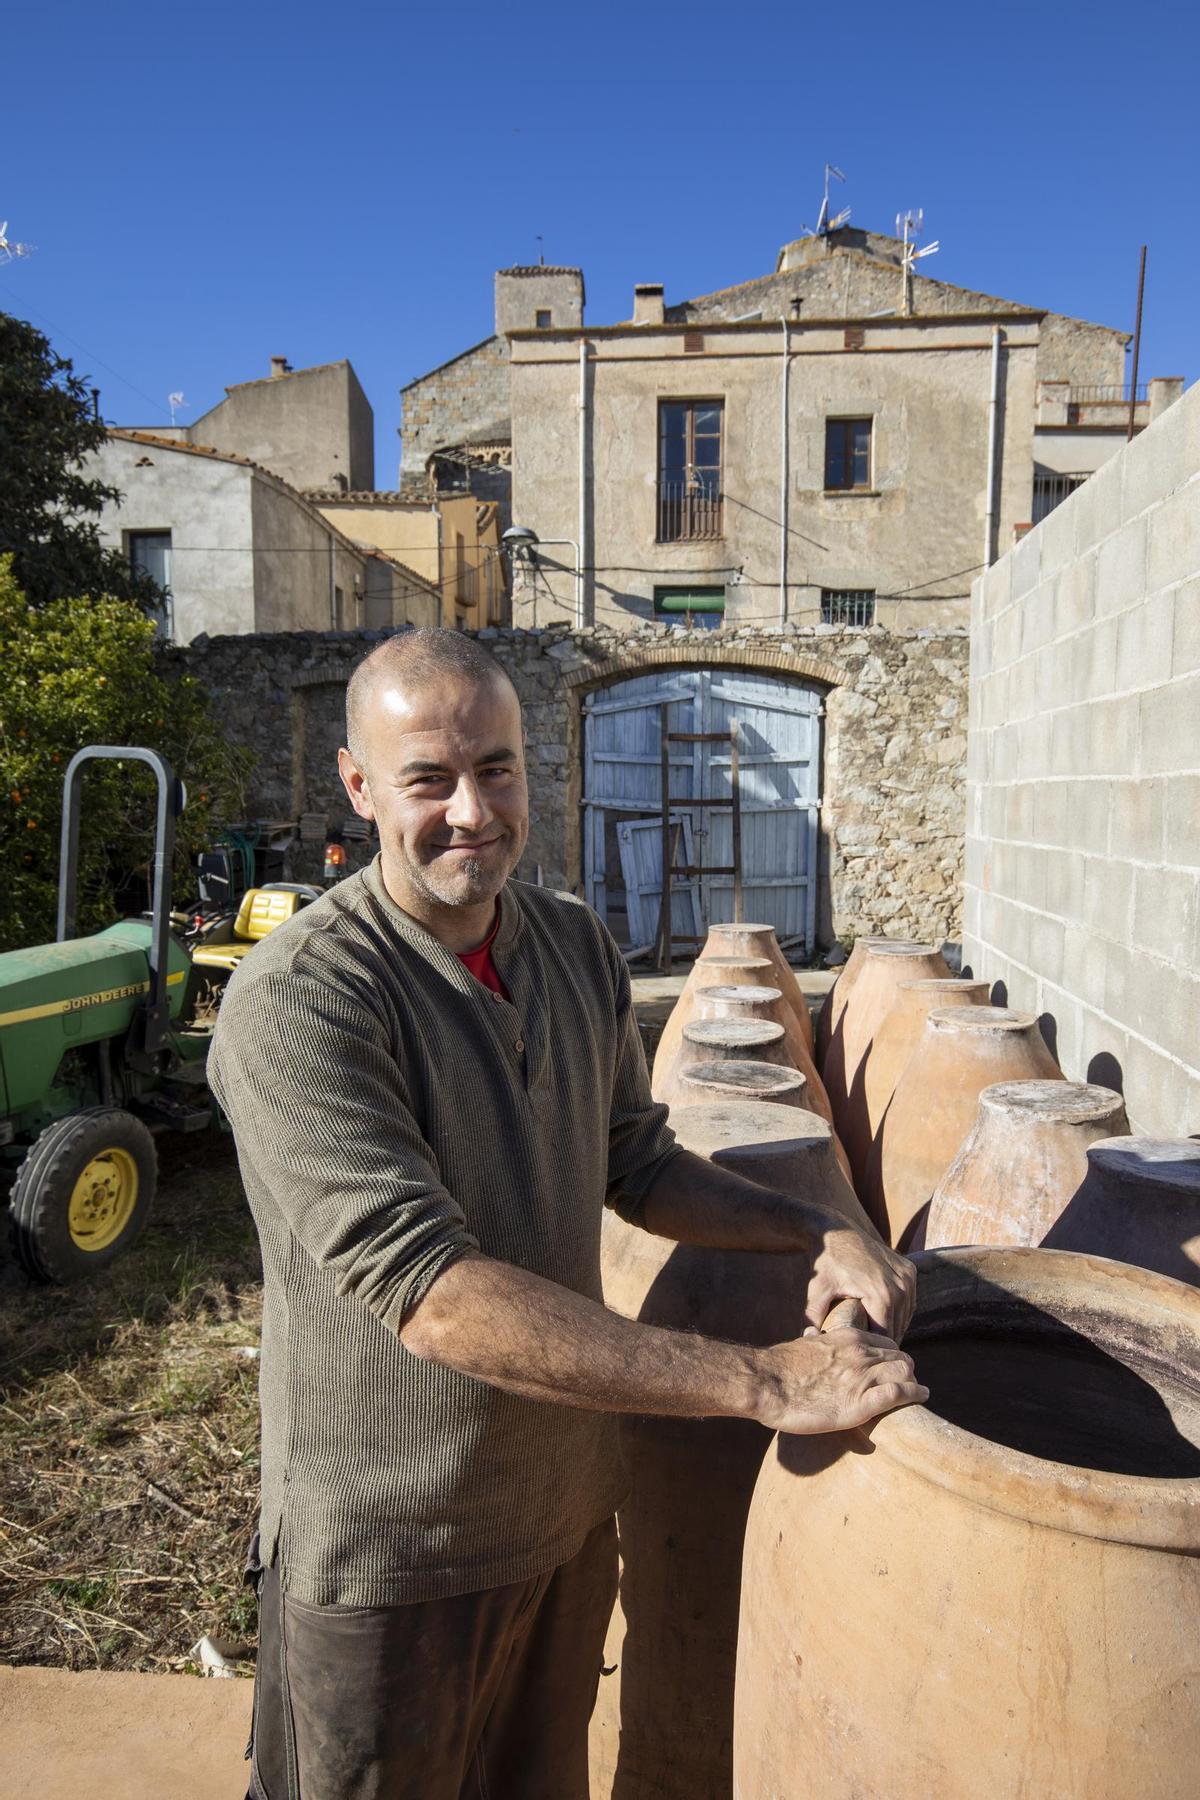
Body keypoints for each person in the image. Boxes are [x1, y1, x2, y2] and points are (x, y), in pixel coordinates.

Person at [209, 629, 925, 1800]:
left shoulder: (576, 948)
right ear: (356, 786)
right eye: (428, 780)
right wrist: (763, 1380)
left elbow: (636, 1164)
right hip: (395, 1559)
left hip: (565, 1522)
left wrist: (814, 1227)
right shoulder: (301, 1002)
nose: (471, 813)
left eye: (495, 770)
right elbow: (433, 1301)